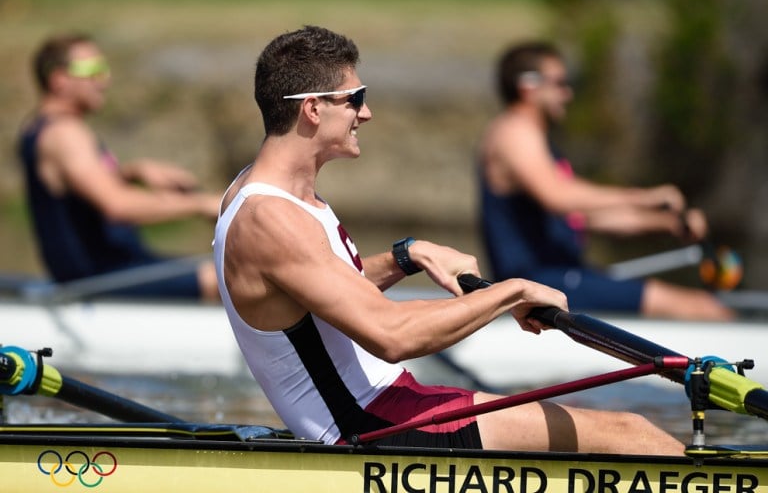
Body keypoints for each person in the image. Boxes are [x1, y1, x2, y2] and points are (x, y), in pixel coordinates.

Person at [213, 25, 683, 455]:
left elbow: (327, 287)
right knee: (630, 435)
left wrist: (406, 255)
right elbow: (391, 336)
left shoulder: (264, 191)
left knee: (625, 431)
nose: (367, 113)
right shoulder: (270, 219)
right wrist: (512, 291)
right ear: (313, 108)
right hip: (368, 427)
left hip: (391, 406)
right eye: (355, 97)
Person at [478, 41, 734, 321]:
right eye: (560, 83)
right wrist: (644, 197)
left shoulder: (537, 143)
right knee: (707, 310)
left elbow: (584, 217)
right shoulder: (515, 133)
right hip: (536, 284)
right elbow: (558, 197)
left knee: (704, 304)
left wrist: (667, 223)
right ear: (528, 87)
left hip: (562, 277)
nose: (568, 93)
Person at [19, 33, 221, 301]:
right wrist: (201, 204)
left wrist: (133, 171)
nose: (105, 80)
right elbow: (117, 205)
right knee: (226, 278)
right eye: (93, 70)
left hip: (109, 268)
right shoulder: (65, 135)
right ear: (59, 79)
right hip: (101, 277)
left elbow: (76, 189)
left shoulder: (38, 127)